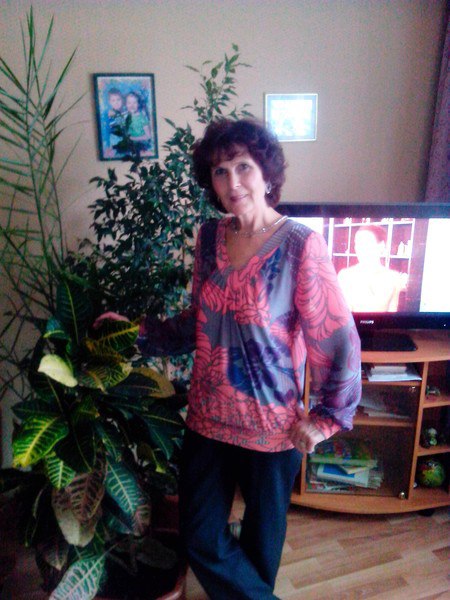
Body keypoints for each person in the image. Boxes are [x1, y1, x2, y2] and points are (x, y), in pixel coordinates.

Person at [98, 118, 361, 599]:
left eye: (243, 166)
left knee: (260, 549)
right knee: (199, 536)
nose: (233, 181)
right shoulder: (209, 239)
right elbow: (198, 321)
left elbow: (336, 336)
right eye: (220, 171)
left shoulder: (300, 245)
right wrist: (136, 333)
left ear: (266, 172)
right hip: (208, 418)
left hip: (272, 428)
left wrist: (327, 418)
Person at [337, 224, 408, 312]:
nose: (359, 248)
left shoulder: (394, 278)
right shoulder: (345, 276)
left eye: (365, 243)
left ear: (381, 246)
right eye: (357, 243)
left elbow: (392, 315)